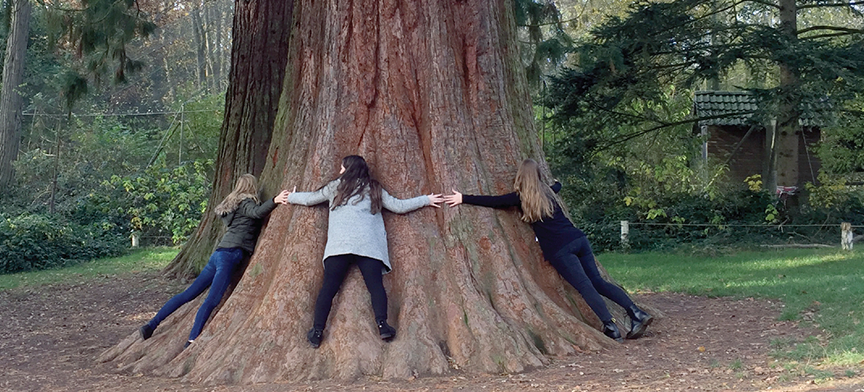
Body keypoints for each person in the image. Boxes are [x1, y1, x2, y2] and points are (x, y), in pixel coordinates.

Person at [444, 159, 652, 342]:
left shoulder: (520, 198)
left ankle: (611, 327)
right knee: (598, 282)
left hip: (560, 249)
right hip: (578, 239)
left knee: (585, 286)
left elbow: (493, 201)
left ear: (520, 177)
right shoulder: (550, 191)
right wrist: (556, 181)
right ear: (538, 175)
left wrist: (463, 198)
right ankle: (635, 312)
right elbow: (557, 185)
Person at [278, 155, 442, 348]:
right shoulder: (373, 188)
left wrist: (291, 196)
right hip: (368, 246)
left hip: (340, 246)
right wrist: (426, 199)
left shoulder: (335, 187)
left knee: (329, 288)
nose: (340, 171)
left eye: (342, 167)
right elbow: (399, 206)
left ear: (348, 169)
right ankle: (383, 326)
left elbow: (311, 199)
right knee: (375, 287)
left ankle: (317, 331)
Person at [139, 174, 289, 348]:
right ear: (251, 187)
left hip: (218, 254)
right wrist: (275, 200)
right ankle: (192, 340)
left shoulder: (232, 205)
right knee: (212, 300)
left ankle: (151, 325)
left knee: (187, 295)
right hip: (230, 255)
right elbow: (257, 213)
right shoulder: (247, 202)